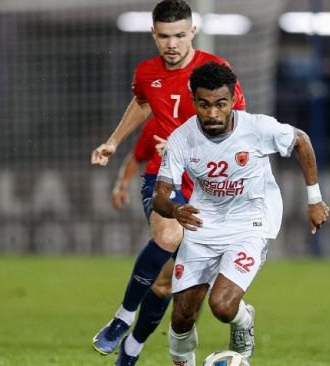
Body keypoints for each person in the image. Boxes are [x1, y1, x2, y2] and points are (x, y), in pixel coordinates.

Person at [90, 1, 246, 364]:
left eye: (179, 35)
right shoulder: (146, 72)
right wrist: (113, 142)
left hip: (208, 188)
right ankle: (122, 318)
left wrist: (188, 144)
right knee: (168, 235)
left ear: (192, 32)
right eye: (164, 36)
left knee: (165, 284)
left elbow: (237, 126)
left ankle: (131, 349)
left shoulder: (215, 72)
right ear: (154, 35)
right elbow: (142, 103)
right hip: (163, 177)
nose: (171, 44)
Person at [152, 61, 330, 365]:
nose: (212, 113)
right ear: (193, 100)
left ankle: (243, 321)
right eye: (204, 104)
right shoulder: (182, 139)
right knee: (182, 317)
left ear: (233, 99)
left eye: (220, 104)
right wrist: (174, 208)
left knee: (221, 306)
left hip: (250, 223)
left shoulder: (258, 128)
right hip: (201, 224)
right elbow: (160, 196)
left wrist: (314, 199)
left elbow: (301, 141)